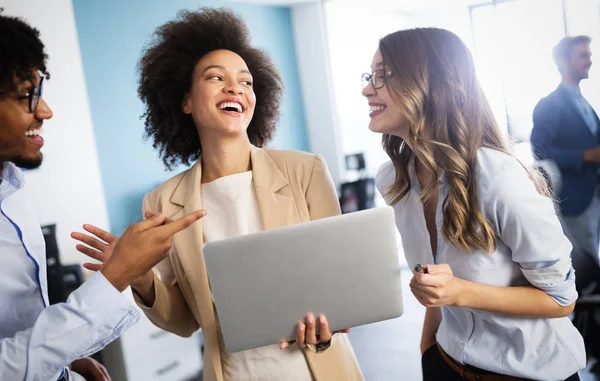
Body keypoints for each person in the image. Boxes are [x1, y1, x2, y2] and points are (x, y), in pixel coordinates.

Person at [72, 8, 363, 381]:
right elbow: (183, 321)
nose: (235, 88)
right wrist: (139, 277)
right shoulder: (162, 201)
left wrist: (331, 318)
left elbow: (339, 284)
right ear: (185, 101)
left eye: (246, 81)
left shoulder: (304, 171)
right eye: (216, 78)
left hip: (316, 370)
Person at [363, 28, 585, 380]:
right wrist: (428, 357)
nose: (367, 89)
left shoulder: (499, 179)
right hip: (448, 363)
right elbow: (435, 282)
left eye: (382, 74)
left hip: (528, 373)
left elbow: (561, 300)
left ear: (430, 82)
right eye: (369, 75)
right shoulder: (394, 180)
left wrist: (460, 292)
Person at [0, 11, 206, 381]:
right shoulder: (162, 198)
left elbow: (19, 326)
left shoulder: (12, 188)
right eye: (26, 96)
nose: (45, 111)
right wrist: (118, 274)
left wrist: (66, 361)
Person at [530, 36, 599, 263]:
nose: (589, 60)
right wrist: (586, 156)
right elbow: (540, 151)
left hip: (594, 192)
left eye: (589, 54)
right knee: (586, 261)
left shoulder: (583, 102)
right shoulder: (550, 104)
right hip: (575, 197)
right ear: (562, 61)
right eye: (582, 55)